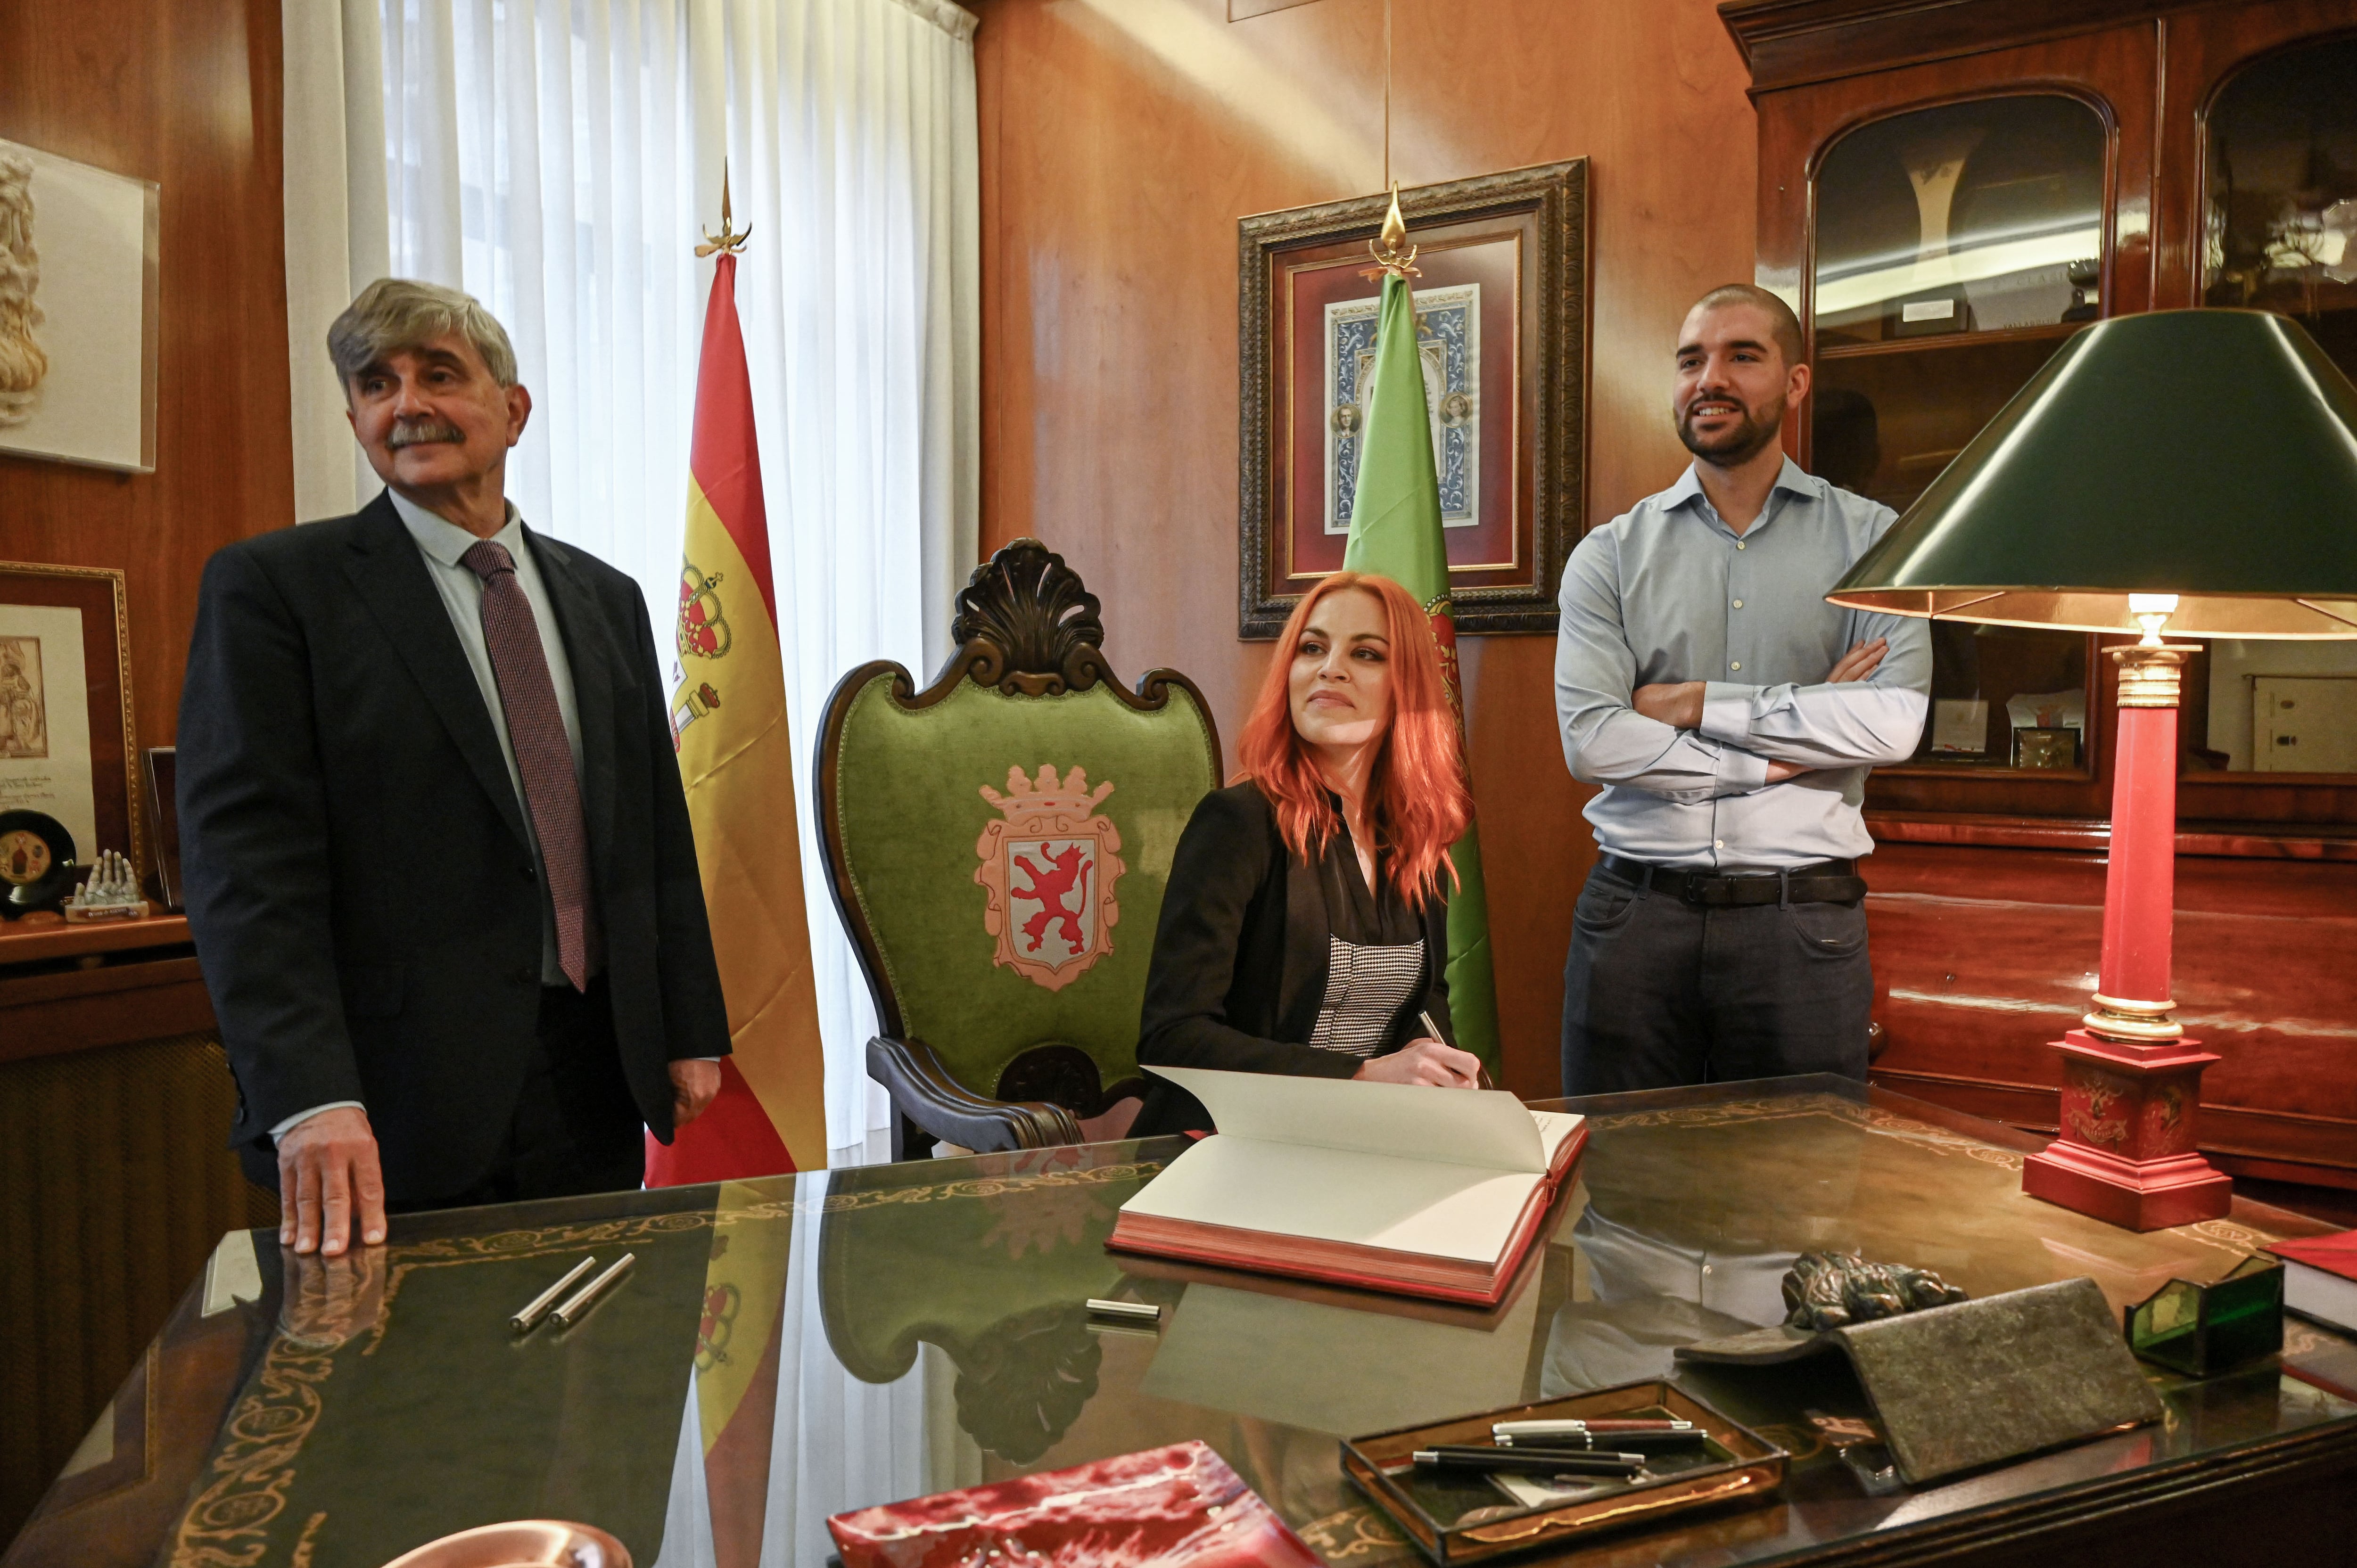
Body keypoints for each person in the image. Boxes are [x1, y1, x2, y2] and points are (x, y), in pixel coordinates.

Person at [179, 279, 728, 1256]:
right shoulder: (274, 592)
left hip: (596, 1075)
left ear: (513, 409)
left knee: (594, 1385)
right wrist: (309, 1098)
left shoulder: (608, 598)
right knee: (409, 1399)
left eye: (439, 374)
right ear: (353, 416)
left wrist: (688, 1020)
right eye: (376, 383)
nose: (408, 404)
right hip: (387, 1106)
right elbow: (246, 878)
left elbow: (653, 824)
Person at [1555, 283, 1930, 1096]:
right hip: (1634, 920)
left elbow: (1893, 721)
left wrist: (1693, 702)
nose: (1708, 379)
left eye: (1741, 356)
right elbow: (1592, 740)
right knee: (1622, 1188)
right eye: (1692, 360)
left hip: (1799, 925)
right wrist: (1783, 749)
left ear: (1795, 383)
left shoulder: (1875, 545)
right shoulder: (1608, 556)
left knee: (1799, 1199)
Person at [1132, 572, 1484, 1137]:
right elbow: (1172, 1037)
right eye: (1312, 648)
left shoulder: (1415, 833)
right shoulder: (1236, 822)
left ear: (1407, 689)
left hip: (1358, 1140)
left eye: (1365, 654)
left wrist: (1437, 1068)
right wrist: (1361, 1077)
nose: (1330, 668)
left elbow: (1424, 998)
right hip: (1225, 1142)